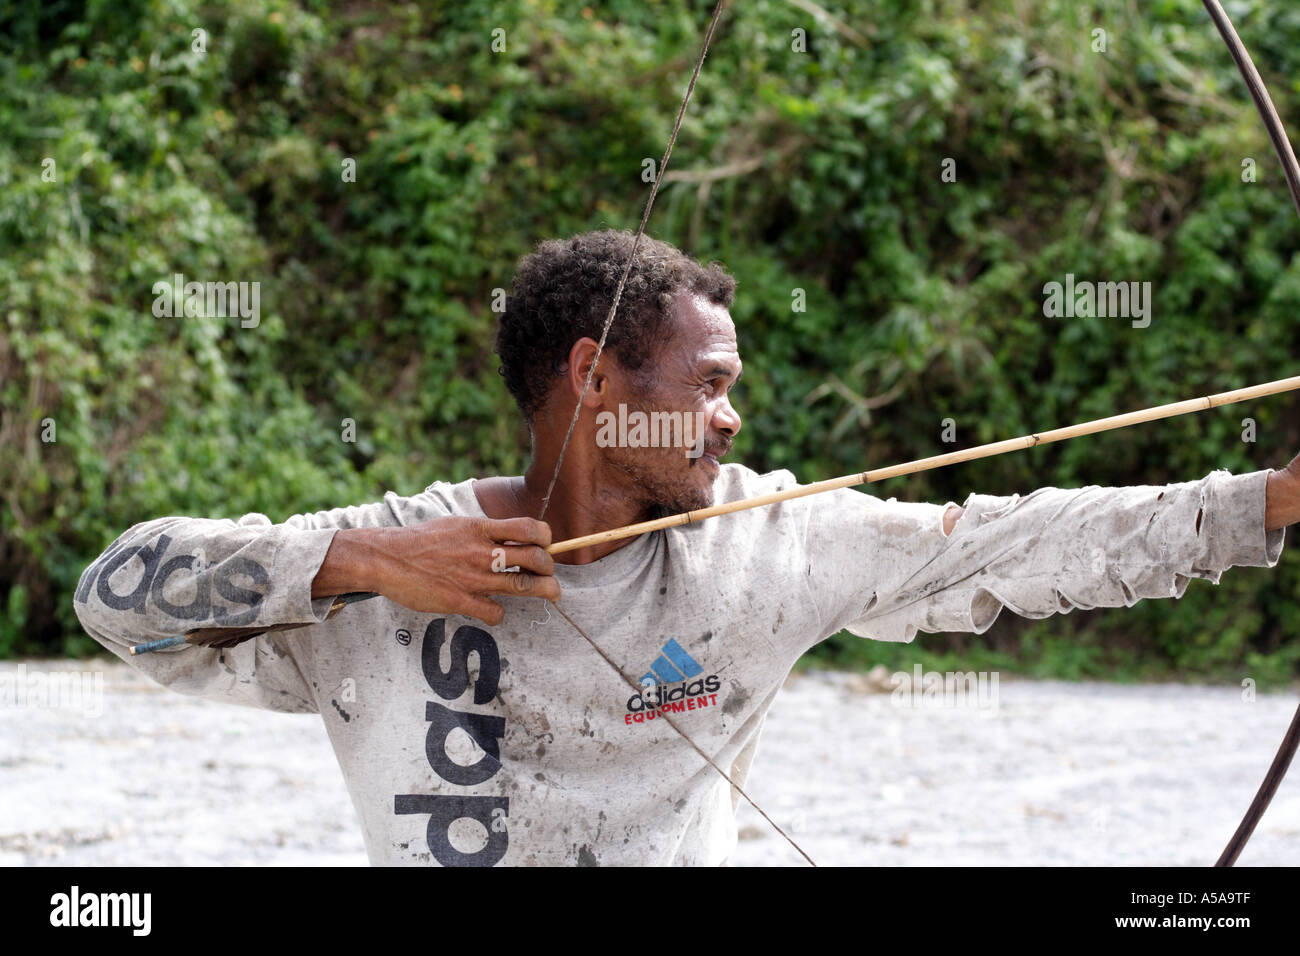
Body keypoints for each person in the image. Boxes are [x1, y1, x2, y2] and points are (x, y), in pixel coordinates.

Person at [75, 229, 1299, 866]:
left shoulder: (764, 544)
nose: (731, 415)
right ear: (595, 376)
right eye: (708, 385)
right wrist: (359, 561)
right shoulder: (396, 557)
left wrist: (1270, 501)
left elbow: (1002, 544)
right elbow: (115, 591)